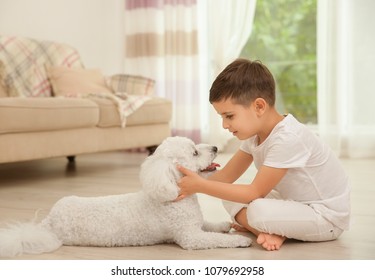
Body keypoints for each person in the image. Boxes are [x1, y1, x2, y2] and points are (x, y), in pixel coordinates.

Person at [176, 58, 350, 251]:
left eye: (229, 116)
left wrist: (200, 186)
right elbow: (224, 178)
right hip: (295, 203)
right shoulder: (254, 136)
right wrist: (182, 182)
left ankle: (269, 229)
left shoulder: (288, 138)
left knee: (257, 209)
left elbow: (254, 192)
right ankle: (267, 232)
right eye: (222, 117)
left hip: (325, 217)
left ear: (259, 106)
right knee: (227, 193)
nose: (224, 125)